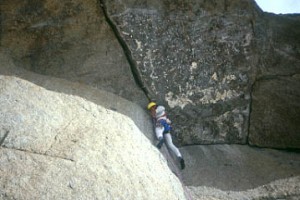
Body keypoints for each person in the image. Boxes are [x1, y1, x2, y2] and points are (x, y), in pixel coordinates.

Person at [147, 102, 185, 170]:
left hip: (161, 122)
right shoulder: (157, 111)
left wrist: (154, 111)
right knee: (170, 145)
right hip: (167, 128)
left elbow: (157, 112)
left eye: (151, 108)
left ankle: (161, 139)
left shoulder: (159, 108)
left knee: (158, 130)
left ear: (154, 106)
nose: (151, 109)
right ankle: (180, 157)